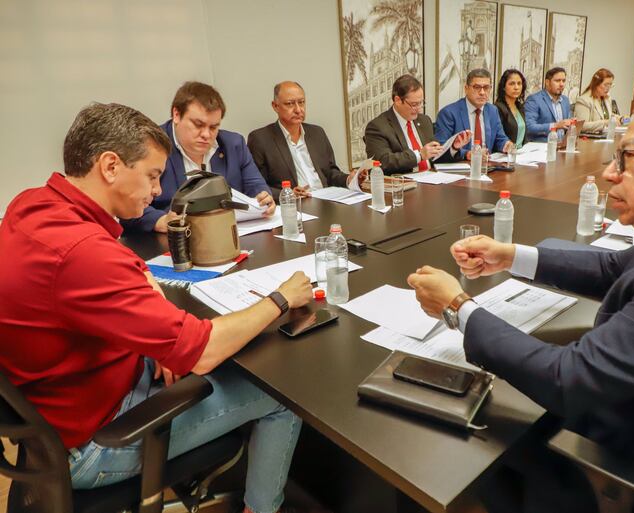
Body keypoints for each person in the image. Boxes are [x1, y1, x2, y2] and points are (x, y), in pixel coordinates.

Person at [408, 88, 634, 513]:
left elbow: (568, 380)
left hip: (626, 464)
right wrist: (511, 256)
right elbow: (619, 268)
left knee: (437, 435)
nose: (609, 174)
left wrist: (458, 306)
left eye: (628, 158)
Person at [0, 102, 317, 513]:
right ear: (110, 166)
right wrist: (282, 298)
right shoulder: (81, 254)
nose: (156, 190)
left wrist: (154, 331)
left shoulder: (33, 205)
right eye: (151, 176)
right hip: (96, 444)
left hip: (54, 418)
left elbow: (116, 265)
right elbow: (202, 351)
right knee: (282, 394)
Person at [122, 81, 274, 233]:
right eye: (198, 124)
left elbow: (256, 186)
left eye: (213, 127)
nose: (206, 135)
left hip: (231, 235)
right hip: (171, 242)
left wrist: (264, 199)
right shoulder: (152, 147)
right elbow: (126, 204)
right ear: (176, 115)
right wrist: (160, 221)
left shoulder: (233, 145)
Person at [248, 81, 366, 197]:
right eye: (290, 104)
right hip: (295, 206)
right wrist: (288, 194)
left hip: (327, 200)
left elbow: (330, 173)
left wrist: (349, 179)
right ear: (275, 106)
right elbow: (257, 186)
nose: (298, 109)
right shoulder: (260, 139)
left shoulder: (317, 133)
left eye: (301, 102)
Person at [364, 74, 470, 175]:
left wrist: (453, 148)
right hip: (404, 186)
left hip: (432, 180)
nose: (419, 109)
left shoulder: (424, 121)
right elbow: (383, 162)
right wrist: (419, 155)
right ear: (397, 100)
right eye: (414, 104)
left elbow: (434, 157)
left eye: (421, 103)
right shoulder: (378, 127)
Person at [434, 69, 513, 159]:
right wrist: (467, 154)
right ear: (466, 89)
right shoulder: (449, 113)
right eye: (477, 87)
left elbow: (500, 138)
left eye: (486, 87)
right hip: (460, 167)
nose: (482, 92)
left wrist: (506, 145)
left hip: (487, 165)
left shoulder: (492, 110)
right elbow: (441, 148)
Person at [524, 67, 573, 142]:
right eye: (557, 81)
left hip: (562, 147)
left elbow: (567, 125)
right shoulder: (534, 100)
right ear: (547, 82)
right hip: (541, 148)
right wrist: (555, 125)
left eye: (563, 81)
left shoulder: (565, 100)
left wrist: (573, 123)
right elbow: (529, 127)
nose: (561, 84)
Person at [574, 68, 622, 135]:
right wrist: (606, 122)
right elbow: (582, 126)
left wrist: (621, 118)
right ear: (596, 84)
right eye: (606, 85)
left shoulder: (606, 98)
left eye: (610, 85)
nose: (608, 88)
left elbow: (607, 115)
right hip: (588, 140)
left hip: (605, 136)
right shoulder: (584, 100)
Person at [494, 68, 528, 148]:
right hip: (504, 154)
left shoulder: (520, 106)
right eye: (512, 84)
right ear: (503, 87)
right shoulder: (498, 108)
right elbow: (498, 137)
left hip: (521, 153)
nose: (516, 87)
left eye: (519, 83)